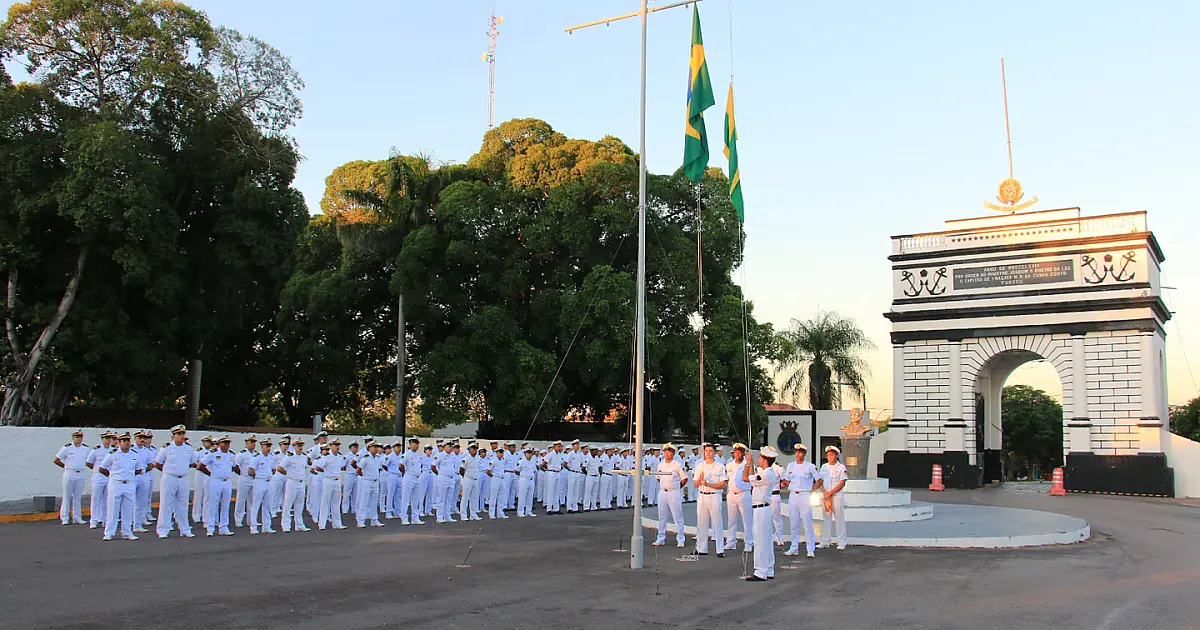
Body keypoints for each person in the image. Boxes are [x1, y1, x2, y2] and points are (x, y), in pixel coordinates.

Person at [742, 446, 780, 581]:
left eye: (760, 458)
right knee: (766, 540)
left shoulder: (767, 474)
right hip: (762, 508)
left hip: (761, 509)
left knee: (760, 540)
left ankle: (760, 571)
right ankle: (768, 569)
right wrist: (751, 464)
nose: (758, 460)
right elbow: (752, 477)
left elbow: (745, 478)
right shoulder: (765, 473)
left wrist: (747, 463)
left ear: (765, 460)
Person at [154, 425, 198, 538]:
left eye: (183, 434)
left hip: (183, 478)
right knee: (166, 504)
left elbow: (192, 463)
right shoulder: (167, 448)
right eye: (179, 434)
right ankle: (163, 529)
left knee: (183, 504)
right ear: (173, 436)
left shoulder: (188, 448)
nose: (181, 436)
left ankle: (185, 529)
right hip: (169, 477)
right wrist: (168, 471)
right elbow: (157, 463)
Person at [99, 433, 143, 541]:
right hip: (116, 484)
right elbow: (102, 468)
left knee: (128, 509)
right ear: (119, 443)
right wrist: (112, 476)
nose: (127, 442)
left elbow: (139, 469)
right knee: (113, 509)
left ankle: (127, 532)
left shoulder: (134, 454)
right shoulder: (113, 454)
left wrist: (129, 476)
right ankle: (109, 533)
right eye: (124, 440)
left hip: (129, 484)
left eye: (128, 440)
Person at [781, 444, 819, 557]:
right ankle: (794, 547)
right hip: (793, 494)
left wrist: (812, 490)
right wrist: (791, 486)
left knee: (807, 522)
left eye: (800, 452)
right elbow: (786, 479)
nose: (797, 454)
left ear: (804, 453)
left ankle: (810, 548)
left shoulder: (810, 466)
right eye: (796, 452)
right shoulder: (791, 466)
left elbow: (819, 480)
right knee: (794, 523)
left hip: (805, 494)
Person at [198, 435, 240, 537]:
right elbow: (200, 466)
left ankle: (224, 527)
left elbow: (235, 467)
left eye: (228, 443)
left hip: (227, 481)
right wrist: (211, 474)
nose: (227, 445)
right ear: (220, 444)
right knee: (213, 505)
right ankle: (210, 527)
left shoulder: (231, 455)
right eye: (224, 443)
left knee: (226, 505)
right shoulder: (213, 454)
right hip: (216, 481)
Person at [692, 443, 727, 557]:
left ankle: (720, 549)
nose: (708, 453)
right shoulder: (699, 466)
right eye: (706, 451)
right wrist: (700, 480)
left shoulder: (720, 466)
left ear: (714, 452)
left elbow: (722, 485)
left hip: (714, 495)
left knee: (717, 522)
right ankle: (701, 548)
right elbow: (696, 484)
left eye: (711, 451)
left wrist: (708, 484)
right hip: (702, 495)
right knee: (702, 522)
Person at [652, 443, 688, 548]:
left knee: (678, 517)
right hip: (663, 492)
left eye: (669, 452)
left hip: (674, 492)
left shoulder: (677, 464)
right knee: (662, 516)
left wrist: (676, 486)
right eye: (665, 451)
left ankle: (681, 539)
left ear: (673, 453)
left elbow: (684, 479)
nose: (667, 454)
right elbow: (658, 477)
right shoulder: (660, 465)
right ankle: (660, 538)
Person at [53, 430, 89, 525]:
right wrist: (66, 466)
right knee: (67, 496)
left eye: (80, 436)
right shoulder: (67, 448)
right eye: (77, 436)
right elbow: (56, 459)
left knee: (78, 497)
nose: (79, 438)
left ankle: (77, 517)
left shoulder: (85, 448)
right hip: (69, 473)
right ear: (73, 438)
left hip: (80, 473)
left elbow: (89, 461)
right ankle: (64, 517)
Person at [725, 443, 755, 552]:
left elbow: (752, 475)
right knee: (731, 519)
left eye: (739, 452)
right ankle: (731, 541)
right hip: (732, 494)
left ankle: (749, 542)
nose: (737, 454)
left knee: (747, 520)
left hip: (744, 493)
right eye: (735, 452)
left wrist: (750, 463)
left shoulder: (747, 464)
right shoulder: (729, 465)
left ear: (743, 453)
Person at [277, 438, 311, 532]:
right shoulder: (290, 457)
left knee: (300, 505)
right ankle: (286, 525)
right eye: (298, 445)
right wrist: (288, 474)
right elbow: (279, 468)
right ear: (294, 447)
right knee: (288, 504)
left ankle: (299, 524)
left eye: (301, 445)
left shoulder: (304, 457)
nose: (300, 447)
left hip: (301, 482)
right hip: (292, 482)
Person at [818, 445, 849, 550]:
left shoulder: (841, 468)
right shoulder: (824, 467)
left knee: (839, 518)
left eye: (832, 455)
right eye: (828, 455)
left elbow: (842, 482)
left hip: (836, 495)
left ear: (836, 456)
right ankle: (825, 541)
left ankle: (842, 541)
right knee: (826, 518)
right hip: (826, 496)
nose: (830, 457)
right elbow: (820, 481)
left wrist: (831, 492)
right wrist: (825, 493)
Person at [314, 438, 348, 530]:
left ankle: (337, 523)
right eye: (335, 445)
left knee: (336, 503)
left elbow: (342, 467)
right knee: (325, 502)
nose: (337, 447)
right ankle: (322, 524)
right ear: (330, 446)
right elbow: (317, 467)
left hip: (337, 480)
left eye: (338, 445)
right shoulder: (326, 457)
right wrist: (326, 471)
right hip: (328, 480)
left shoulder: (340, 457)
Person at [86, 431, 115, 529]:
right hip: (98, 476)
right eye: (106, 438)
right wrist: (96, 470)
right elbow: (89, 463)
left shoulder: (114, 450)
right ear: (102, 439)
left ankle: (105, 519)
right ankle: (93, 520)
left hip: (109, 476)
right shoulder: (96, 450)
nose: (108, 440)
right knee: (96, 498)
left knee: (107, 499)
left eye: (110, 438)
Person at [247, 437, 276, 534]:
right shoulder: (257, 457)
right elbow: (250, 471)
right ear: (262, 446)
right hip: (259, 481)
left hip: (268, 481)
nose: (268, 448)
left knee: (267, 505)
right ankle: (253, 526)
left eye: (269, 446)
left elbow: (273, 469)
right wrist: (259, 476)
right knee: (256, 505)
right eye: (266, 446)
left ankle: (266, 526)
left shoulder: (271, 457)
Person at [355, 441, 386, 528]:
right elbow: (358, 469)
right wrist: (364, 476)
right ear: (369, 448)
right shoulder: (366, 458)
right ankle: (360, 520)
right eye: (374, 447)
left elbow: (379, 469)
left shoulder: (377, 458)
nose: (376, 448)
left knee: (374, 502)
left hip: (375, 482)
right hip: (367, 481)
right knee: (364, 502)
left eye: (377, 447)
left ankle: (374, 520)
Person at [398, 438, 425, 525]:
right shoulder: (406, 454)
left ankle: (415, 517)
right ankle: (404, 518)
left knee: (415, 499)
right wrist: (404, 472)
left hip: (417, 478)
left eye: (418, 444)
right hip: (409, 477)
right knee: (405, 499)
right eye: (415, 443)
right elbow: (400, 465)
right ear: (410, 444)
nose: (417, 445)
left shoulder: (418, 455)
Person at [233, 435, 257, 527]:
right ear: (246, 443)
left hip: (253, 479)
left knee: (252, 500)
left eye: (254, 442)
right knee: (241, 499)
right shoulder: (241, 454)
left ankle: (251, 520)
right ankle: (238, 520)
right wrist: (241, 474)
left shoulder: (256, 454)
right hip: (244, 478)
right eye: (251, 442)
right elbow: (236, 466)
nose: (253, 444)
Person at [191, 435, 214, 524]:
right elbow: (193, 463)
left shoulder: (213, 452)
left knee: (208, 495)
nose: (209, 443)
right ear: (203, 442)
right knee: (198, 495)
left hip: (209, 474)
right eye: (207, 442)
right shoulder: (198, 452)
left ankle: (206, 516)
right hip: (200, 473)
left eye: (210, 442)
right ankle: (196, 515)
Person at [459, 442, 482, 521]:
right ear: (469, 449)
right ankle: (463, 514)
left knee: (474, 498)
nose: (474, 450)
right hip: (468, 479)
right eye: (473, 449)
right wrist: (465, 477)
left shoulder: (477, 458)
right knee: (465, 498)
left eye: (476, 449)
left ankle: (473, 514)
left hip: (475, 480)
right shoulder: (466, 458)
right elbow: (461, 469)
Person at [515, 447, 538, 517]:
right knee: (522, 496)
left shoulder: (533, 461)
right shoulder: (521, 461)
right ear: (525, 453)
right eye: (528, 453)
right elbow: (516, 470)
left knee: (530, 496)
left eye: (531, 453)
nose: (530, 454)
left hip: (531, 479)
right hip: (524, 479)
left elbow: (534, 470)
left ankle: (529, 511)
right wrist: (522, 475)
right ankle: (520, 511)